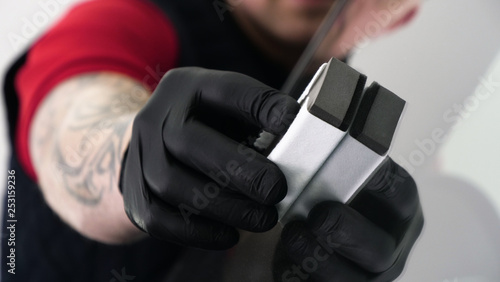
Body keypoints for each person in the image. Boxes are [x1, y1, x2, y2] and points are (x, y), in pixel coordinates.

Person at [2, 0, 423, 281]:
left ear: (401, 14)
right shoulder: (130, 14)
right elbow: (72, 121)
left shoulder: (355, 142)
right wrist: (129, 152)